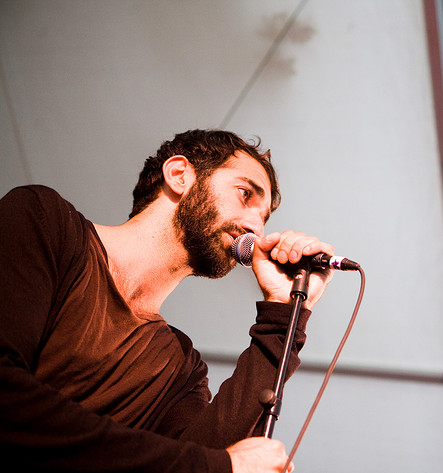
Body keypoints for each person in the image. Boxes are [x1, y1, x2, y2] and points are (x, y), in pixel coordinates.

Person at [0, 129, 336, 472]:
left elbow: (205, 457)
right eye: (244, 193)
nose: (256, 228)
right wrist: (219, 466)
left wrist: (283, 313)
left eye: (264, 219)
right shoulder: (44, 221)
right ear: (179, 175)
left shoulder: (180, 368)